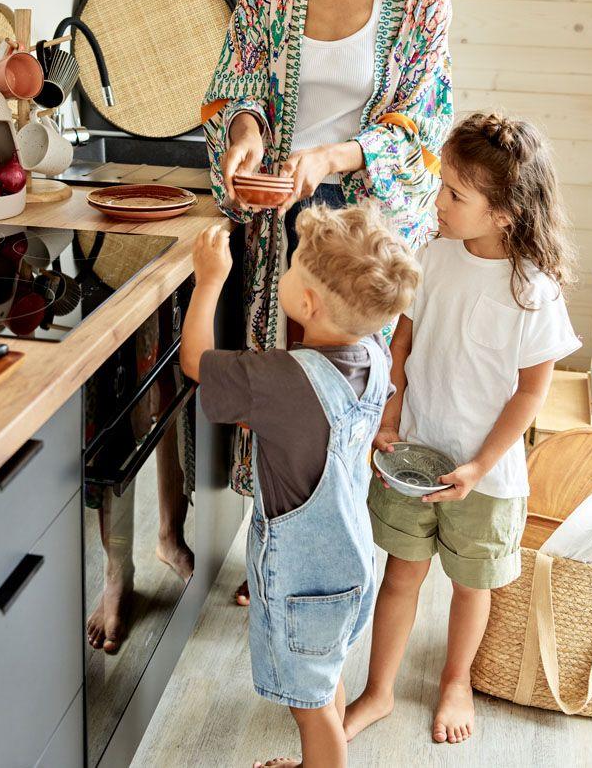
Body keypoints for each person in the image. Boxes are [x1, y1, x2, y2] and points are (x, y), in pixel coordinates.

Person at [201, 0, 459, 604]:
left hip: (358, 236)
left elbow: (421, 122)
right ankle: (271, 545)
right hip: (276, 215)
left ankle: (337, 548)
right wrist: (246, 135)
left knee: (344, 393)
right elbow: (238, 75)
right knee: (276, 380)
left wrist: (334, 158)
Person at [343, 113, 581, 747]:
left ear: (503, 212)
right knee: (400, 573)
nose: (437, 202)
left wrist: (478, 467)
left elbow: (532, 391)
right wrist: (391, 414)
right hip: (414, 454)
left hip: (487, 476)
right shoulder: (434, 255)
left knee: (472, 587)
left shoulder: (533, 292)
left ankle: (456, 681)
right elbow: (403, 339)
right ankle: (378, 689)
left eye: (454, 194)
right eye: (441, 186)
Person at [180, 204, 420, 768]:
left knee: (310, 712)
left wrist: (210, 278)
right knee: (322, 681)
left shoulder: (282, 380)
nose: (283, 275)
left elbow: (195, 361)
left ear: (306, 303)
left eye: (289, 270)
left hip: (302, 581)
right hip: (348, 563)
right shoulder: (374, 354)